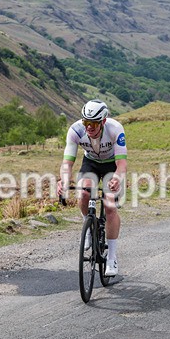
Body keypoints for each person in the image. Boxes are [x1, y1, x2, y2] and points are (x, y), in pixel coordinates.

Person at [57, 100, 127, 277]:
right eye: (86, 122)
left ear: (103, 121)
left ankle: (111, 258)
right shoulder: (75, 131)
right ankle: (87, 225)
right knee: (84, 192)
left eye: (93, 123)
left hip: (111, 164)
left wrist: (117, 179)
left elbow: (121, 164)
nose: (89, 127)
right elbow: (67, 162)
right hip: (91, 163)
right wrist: (64, 180)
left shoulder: (115, 129)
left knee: (110, 205)